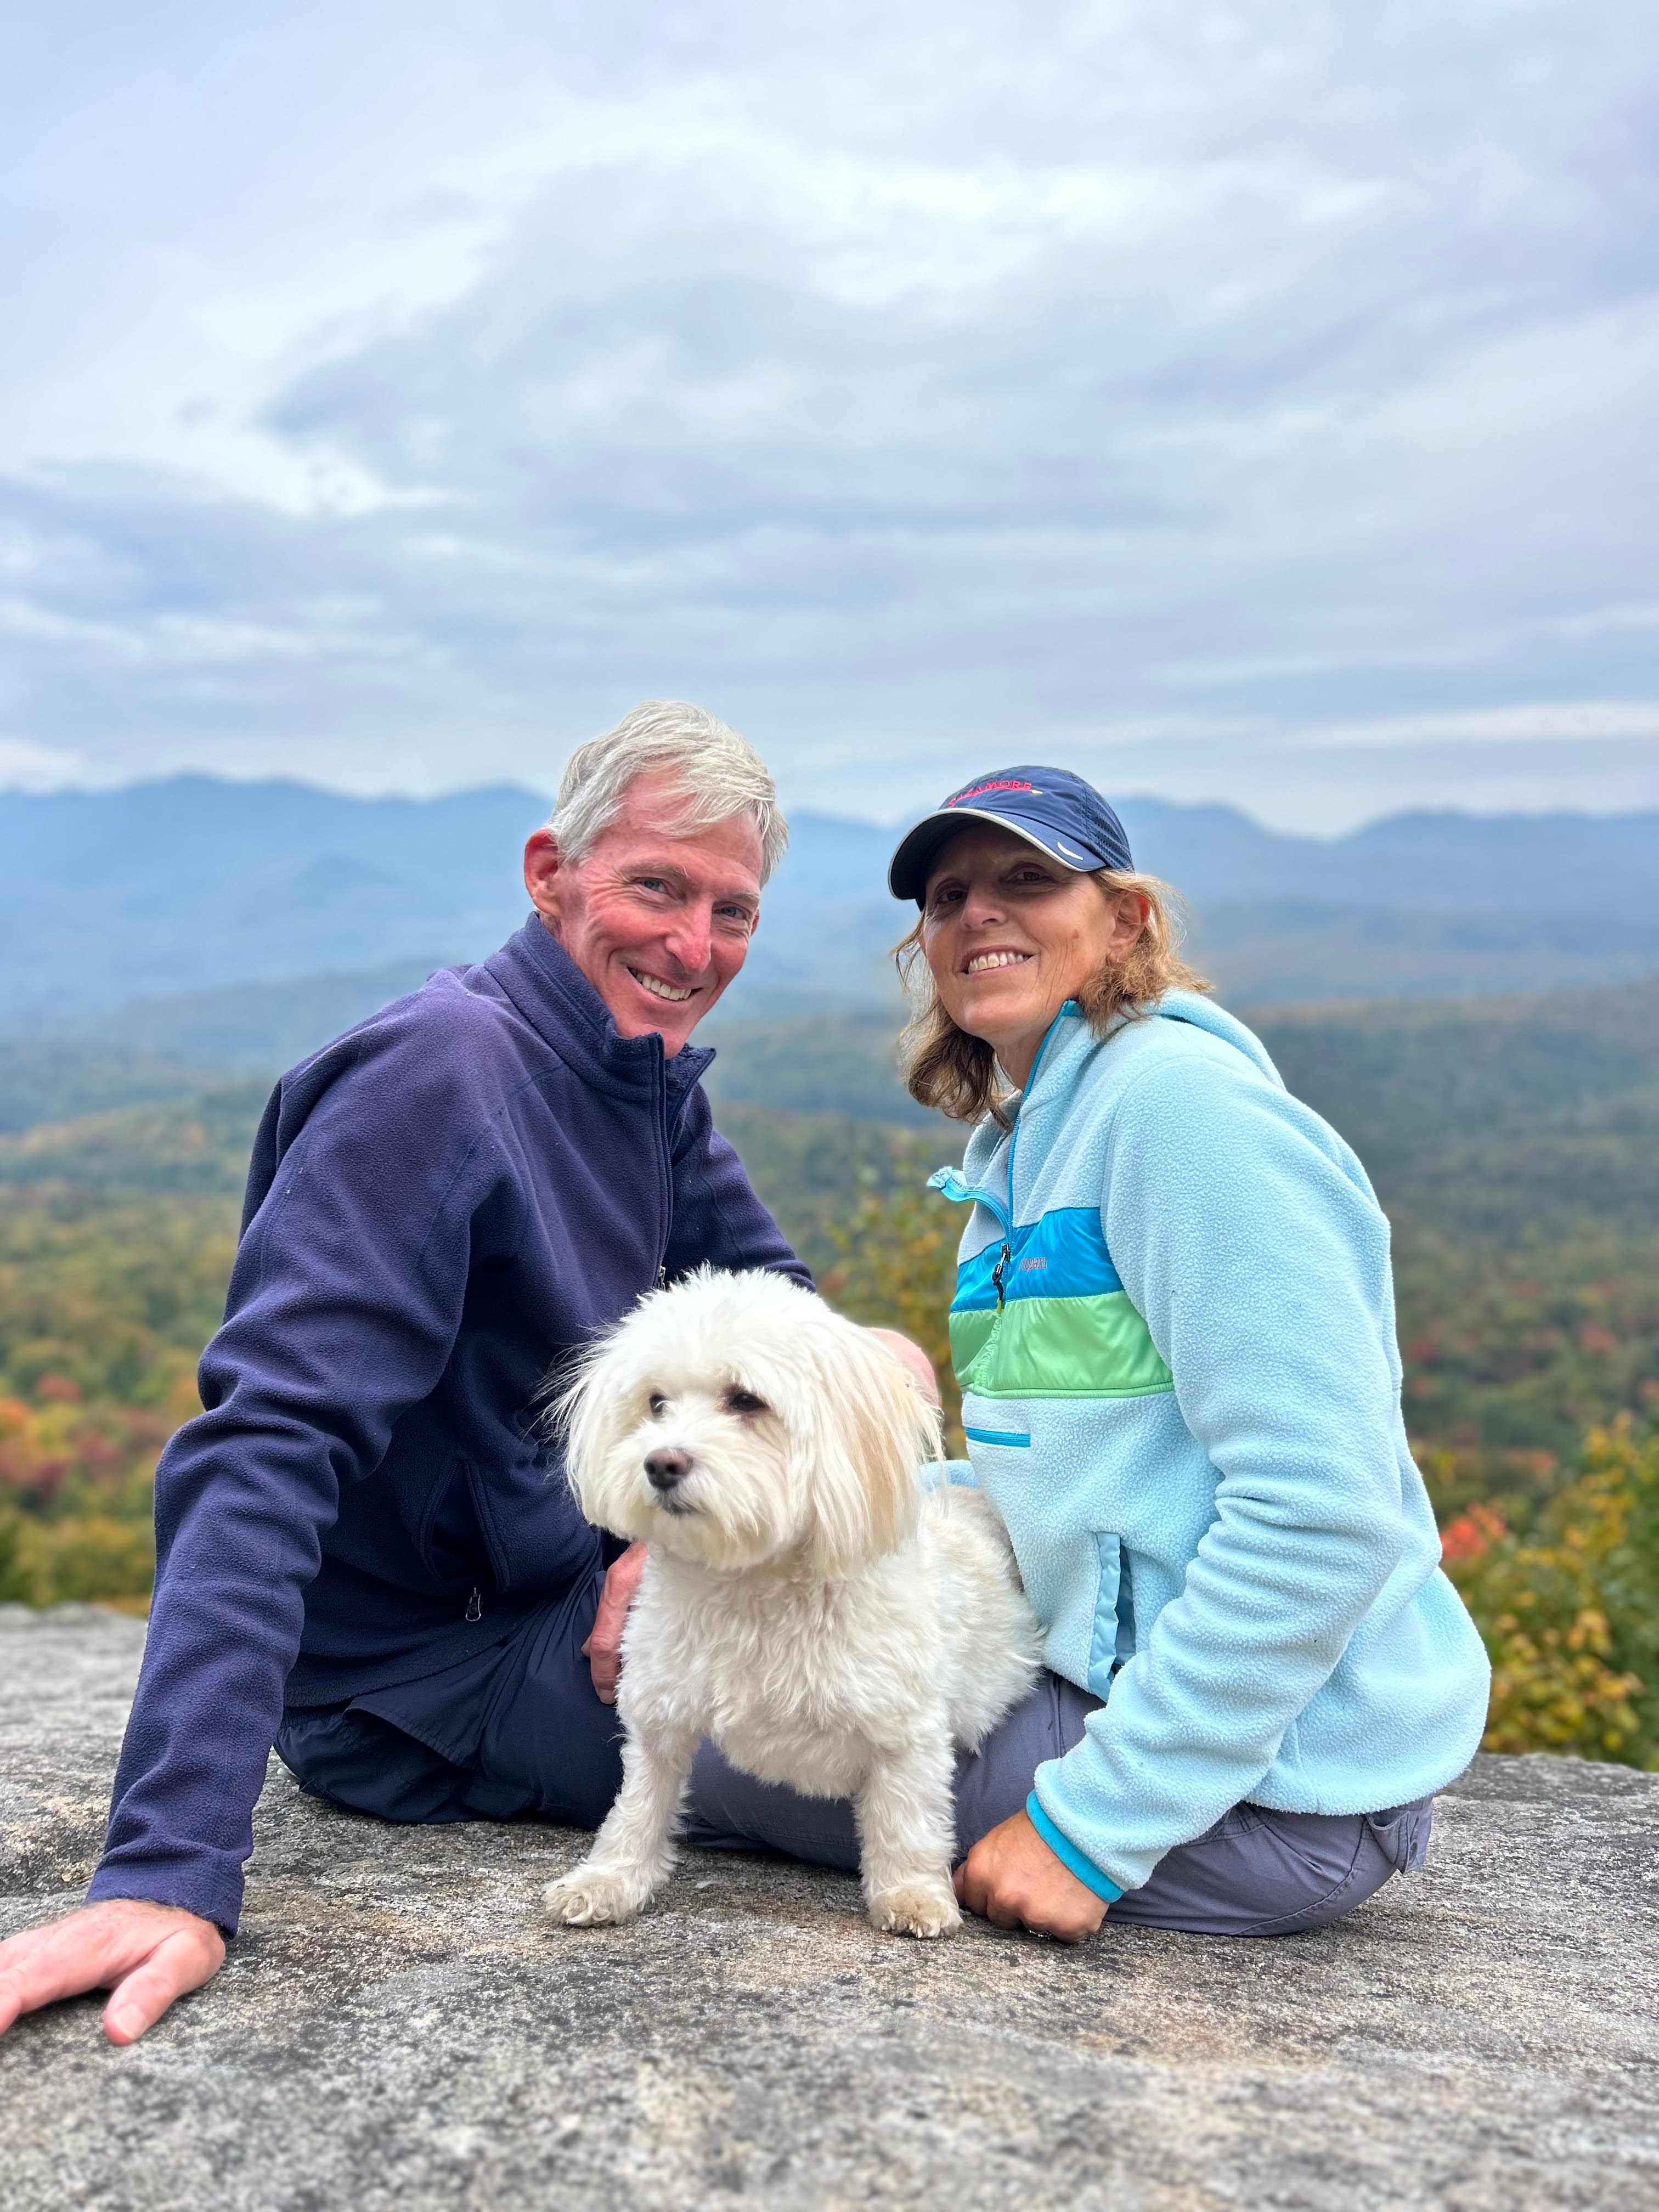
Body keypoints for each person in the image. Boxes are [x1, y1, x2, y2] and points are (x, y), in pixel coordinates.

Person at [0, 701, 936, 2045]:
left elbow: (786, 1321)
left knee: (955, 1652)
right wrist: (166, 1866)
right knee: (985, 1774)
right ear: (551, 873)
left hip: (573, 1598)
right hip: (421, 1685)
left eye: (731, 911)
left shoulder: (641, 1081)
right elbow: (266, 1448)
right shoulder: (439, 1080)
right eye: (657, 888)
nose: (694, 947)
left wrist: (828, 1406)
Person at [680, 764, 1491, 1943]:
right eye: (947, 897)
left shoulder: (1183, 1115)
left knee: (704, 1741)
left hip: (1282, 1791)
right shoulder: (1021, 1154)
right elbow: (1061, 1477)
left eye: (1028, 879)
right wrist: (802, 1504)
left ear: (1126, 922)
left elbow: (1325, 1512)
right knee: (741, 1673)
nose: (979, 913)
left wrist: (1088, 1828)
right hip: (1156, 1710)